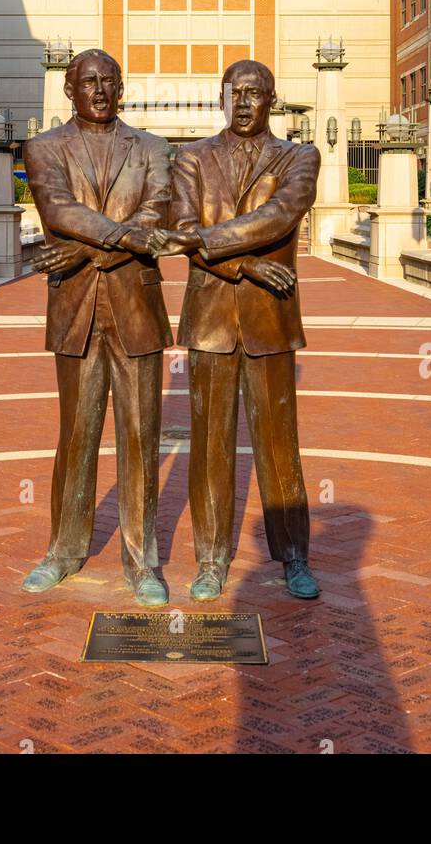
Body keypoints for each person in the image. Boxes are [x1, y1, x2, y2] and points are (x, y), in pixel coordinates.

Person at [152, 59, 320, 601]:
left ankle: (294, 555)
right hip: (210, 321)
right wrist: (245, 266)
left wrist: (207, 242)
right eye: (235, 93)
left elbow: (279, 216)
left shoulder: (300, 157)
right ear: (222, 98)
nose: (244, 102)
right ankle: (210, 559)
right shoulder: (192, 159)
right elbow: (179, 232)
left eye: (255, 93)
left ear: (273, 99)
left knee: (278, 444)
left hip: (271, 319)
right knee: (209, 445)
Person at [22, 48, 172, 607]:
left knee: (141, 439)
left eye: (110, 81)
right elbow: (58, 212)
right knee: (77, 435)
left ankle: (143, 563)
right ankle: (62, 550)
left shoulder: (155, 150)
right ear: (70, 89)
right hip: (76, 312)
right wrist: (120, 243)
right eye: (90, 82)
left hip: (136, 309)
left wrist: (86, 255)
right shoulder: (44, 148)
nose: (101, 91)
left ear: (122, 88)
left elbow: (158, 215)